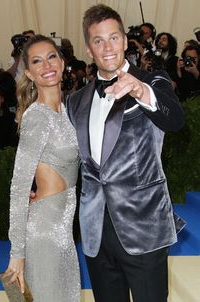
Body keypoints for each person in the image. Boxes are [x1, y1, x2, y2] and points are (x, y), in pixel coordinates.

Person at [66, 4, 185, 302]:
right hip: (96, 234)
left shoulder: (152, 79)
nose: (107, 47)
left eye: (114, 38)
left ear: (124, 41)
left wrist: (141, 91)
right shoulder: (76, 101)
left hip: (144, 228)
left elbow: (174, 120)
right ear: (89, 48)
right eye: (98, 40)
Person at [3, 35, 81, 302]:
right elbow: (19, 186)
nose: (46, 65)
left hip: (64, 231)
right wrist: (17, 252)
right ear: (29, 73)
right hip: (45, 233)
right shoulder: (37, 117)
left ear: (62, 61)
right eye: (37, 61)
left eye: (51, 57)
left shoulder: (68, 109)